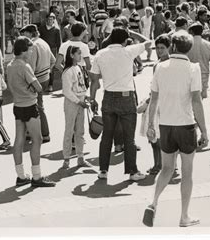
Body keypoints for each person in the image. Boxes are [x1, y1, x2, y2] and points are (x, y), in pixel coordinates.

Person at [143, 31, 209, 228]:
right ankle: (184, 216)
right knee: (187, 174)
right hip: (185, 124)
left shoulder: (160, 67)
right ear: (189, 48)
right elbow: (196, 100)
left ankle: (153, 202)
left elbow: (153, 99)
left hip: (166, 124)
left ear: (172, 46)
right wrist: (204, 130)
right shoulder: (193, 68)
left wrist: (150, 125)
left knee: (166, 169)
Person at [90, 28, 152, 181]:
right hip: (126, 97)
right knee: (129, 137)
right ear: (125, 40)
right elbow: (149, 42)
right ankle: (132, 171)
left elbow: (94, 80)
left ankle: (103, 170)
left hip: (108, 96)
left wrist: (92, 99)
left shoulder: (100, 54)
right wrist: (133, 33)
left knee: (107, 136)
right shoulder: (129, 51)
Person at [7, 36, 56, 187]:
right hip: (29, 104)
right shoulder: (24, 66)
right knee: (37, 139)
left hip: (17, 105)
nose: (30, 52)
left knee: (19, 139)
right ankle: (36, 176)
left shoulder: (10, 65)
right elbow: (39, 87)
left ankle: (21, 175)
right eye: (29, 49)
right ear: (23, 50)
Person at [138, 34, 171, 175]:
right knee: (154, 137)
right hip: (155, 102)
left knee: (162, 137)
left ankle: (163, 165)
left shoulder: (171, 64)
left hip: (166, 103)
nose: (159, 51)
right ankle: (158, 164)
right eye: (157, 48)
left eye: (162, 48)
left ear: (169, 48)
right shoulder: (156, 64)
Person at [20, 24, 56, 143]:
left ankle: (44, 133)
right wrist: (47, 71)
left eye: (25, 33)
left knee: (37, 107)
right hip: (44, 77)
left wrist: (28, 82)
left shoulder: (33, 46)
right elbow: (53, 60)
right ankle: (31, 132)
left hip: (37, 79)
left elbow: (31, 67)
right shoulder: (43, 42)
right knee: (36, 106)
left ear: (30, 33)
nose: (23, 36)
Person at [61, 46, 93, 169]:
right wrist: (79, 102)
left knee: (80, 131)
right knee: (69, 131)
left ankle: (80, 157)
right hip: (71, 103)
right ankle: (66, 159)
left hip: (80, 101)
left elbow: (81, 87)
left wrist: (86, 98)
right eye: (78, 53)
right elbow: (67, 91)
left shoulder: (78, 68)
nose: (80, 56)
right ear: (72, 55)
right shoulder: (67, 72)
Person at [187, 22, 210, 99]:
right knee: (200, 101)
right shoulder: (209, 45)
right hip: (204, 76)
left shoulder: (187, 44)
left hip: (189, 75)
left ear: (191, 32)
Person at [38, 13, 62, 92]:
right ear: (46, 20)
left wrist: (59, 54)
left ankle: (50, 84)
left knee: (51, 67)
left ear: (53, 20)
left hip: (52, 50)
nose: (50, 21)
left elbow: (58, 43)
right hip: (42, 50)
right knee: (41, 65)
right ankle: (41, 84)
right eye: (48, 19)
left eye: (51, 20)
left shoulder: (56, 30)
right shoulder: (41, 29)